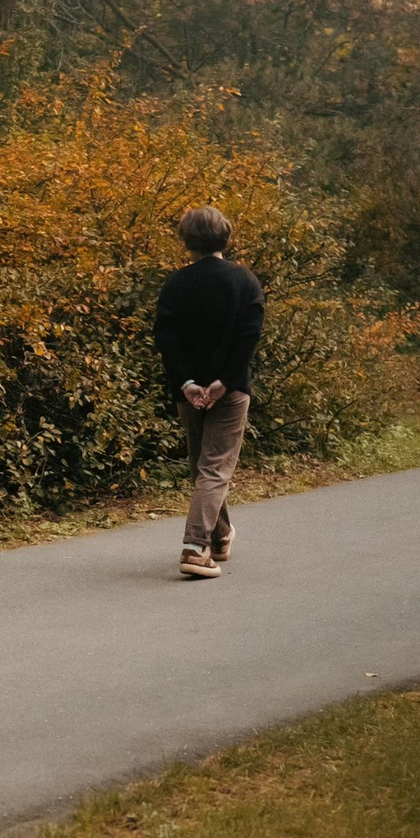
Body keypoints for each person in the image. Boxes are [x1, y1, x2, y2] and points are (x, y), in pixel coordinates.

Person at [152, 207, 265, 578]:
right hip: (229, 391)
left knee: (203, 466)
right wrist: (225, 381)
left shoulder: (175, 284)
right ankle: (196, 548)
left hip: (189, 392)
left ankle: (219, 537)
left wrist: (188, 384)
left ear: (186, 241)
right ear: (225, 237)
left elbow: (167, 339)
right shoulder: (244, 280)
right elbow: (249, 336)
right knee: (214, 469)